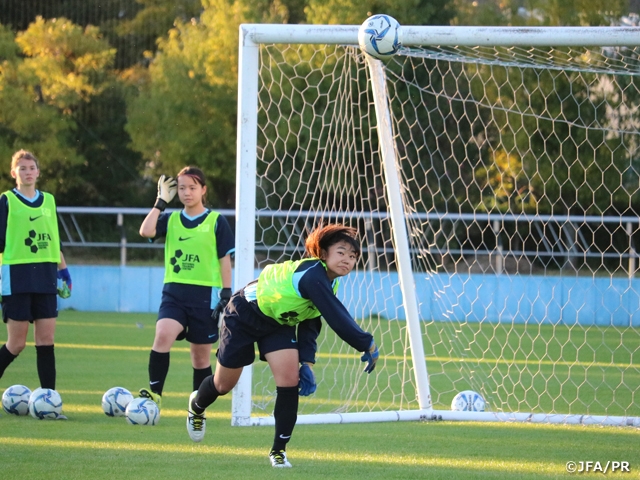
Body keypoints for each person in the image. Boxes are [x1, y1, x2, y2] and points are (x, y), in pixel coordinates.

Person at [186, 224, 379, 468]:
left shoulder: (331, 283)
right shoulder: (312, 275)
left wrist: (306, 362)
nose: (347, 260)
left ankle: (279, 451)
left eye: (352, 256)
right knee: (223, 385)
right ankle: (197, 405)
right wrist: (366, 342)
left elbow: (311, 321)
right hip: (245, 312)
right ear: (323, 254)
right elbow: (335, 316)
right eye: (341, 252)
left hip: (278, 322)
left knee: (289, 380)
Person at [138, 166, 234, 413]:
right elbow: (146, 231)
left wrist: (226, 292)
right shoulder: (170, 220)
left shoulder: (216, 221)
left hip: (206, 296)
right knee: (162, 335)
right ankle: (154, 395)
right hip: (174, 293)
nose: (187, 192)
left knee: (200, 358)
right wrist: (160, 202)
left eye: (192, 187)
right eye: (181, 188)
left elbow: (225, 259)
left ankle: (197, 408)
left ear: (203, 190)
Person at [0, 150, 72, 401]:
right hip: (17, 276)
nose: (28, 172)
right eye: (22, 168)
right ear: (14, 173)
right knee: (16, 344)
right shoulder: (7, 200)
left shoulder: (49, 201)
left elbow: (55, 240)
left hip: (45, 275)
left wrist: (63, 270)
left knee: (46, 340)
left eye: (31, 168)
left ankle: (49, 400)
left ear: (38, 172)